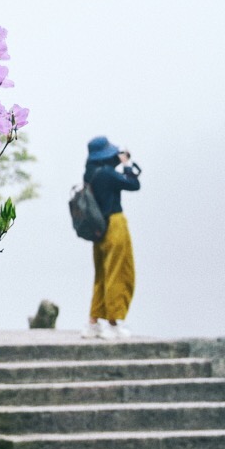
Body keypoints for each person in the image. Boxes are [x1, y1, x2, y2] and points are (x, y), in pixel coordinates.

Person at [83, 136, 140, 339]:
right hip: (115, 224)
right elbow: (134, 184)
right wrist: (127, 164)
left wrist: (119, 161)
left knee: (101, 274)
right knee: (119, 272)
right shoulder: (108, 174)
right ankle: (114, 323)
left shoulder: (89, 174)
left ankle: (93, 322)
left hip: (98, 229)